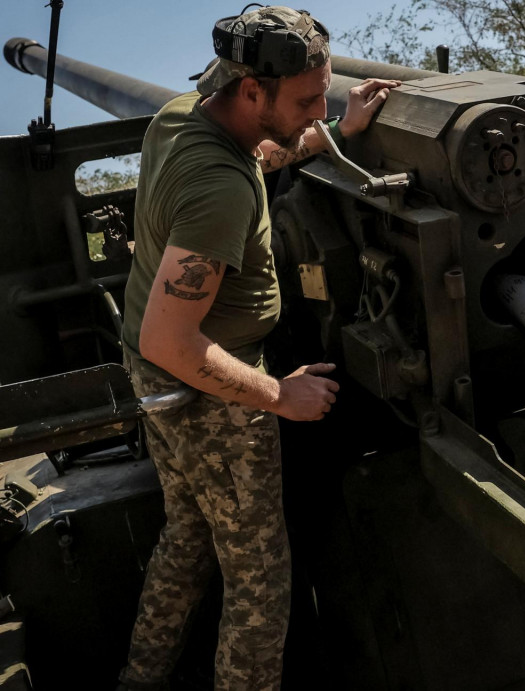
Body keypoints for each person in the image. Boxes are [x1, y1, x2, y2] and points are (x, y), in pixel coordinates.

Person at [116, 7, 399, 689]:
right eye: (307, 99)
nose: (317, 106)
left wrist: (331, 130)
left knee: (187, 538)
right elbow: (171, 336)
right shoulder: (217, 191)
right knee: (261, 581)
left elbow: (262, 149)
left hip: (157, 377)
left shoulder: (188, 114)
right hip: (205, 388)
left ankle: (138, 677)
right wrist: (281, 396)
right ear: (252, 92)